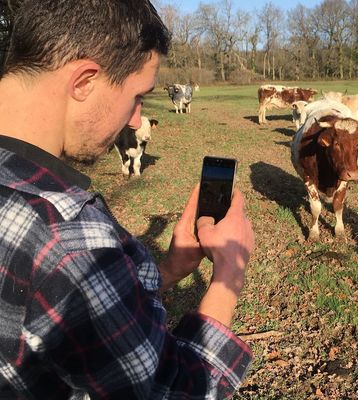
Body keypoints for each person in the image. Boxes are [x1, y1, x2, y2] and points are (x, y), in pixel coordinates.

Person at [0, 1, 254, 398]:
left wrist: (168, 269)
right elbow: (175, 390)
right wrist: (229, 274)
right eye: (138, 96)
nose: (136, 119)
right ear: (84, 81)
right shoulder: (66, 238)